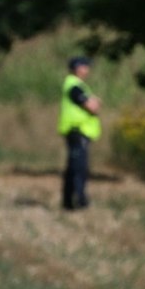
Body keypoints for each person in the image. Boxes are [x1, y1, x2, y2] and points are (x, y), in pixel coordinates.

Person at [59, 56, 102, 210]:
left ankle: (68, 202)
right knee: (79, 168)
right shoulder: (74, 86)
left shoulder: (76, 85)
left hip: (76, 132)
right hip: (78, 131)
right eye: (85, 66)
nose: (87, 69)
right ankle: (80, 200)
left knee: (73, 167)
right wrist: (95, 102)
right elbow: (92, 106)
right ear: (77, 68)